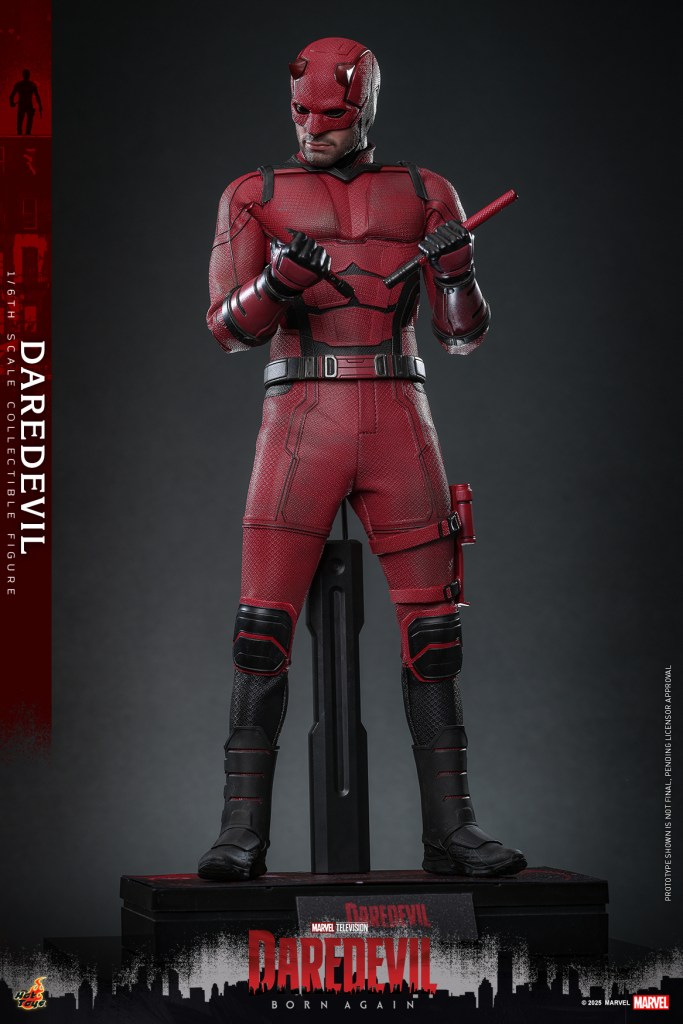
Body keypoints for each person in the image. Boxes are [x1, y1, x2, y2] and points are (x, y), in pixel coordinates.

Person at [198, 36, 526, 882]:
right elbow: (227, 329)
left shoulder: (425, 192)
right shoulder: (253, 194)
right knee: (260, 633)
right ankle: (239, 835)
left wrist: (457, 273)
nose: (312, 129)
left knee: (434, 634)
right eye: (300, 113)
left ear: (366, 107)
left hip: (398, 412)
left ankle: (452, 832)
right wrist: (276, 284)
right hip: (300, 417)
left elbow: (461, 336)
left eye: (331, 116)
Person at [9, 69, 42, 136]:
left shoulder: (19, 84)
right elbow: (37, 96)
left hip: (22, 105)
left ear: (23, 75)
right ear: (29, 75)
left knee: (21, 122)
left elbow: (11, 96)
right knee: (27, 121)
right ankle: (26, 134)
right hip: (28, 105)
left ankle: (22, 135)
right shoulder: (32, 85)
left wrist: (12, 103)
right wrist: (40, 105)